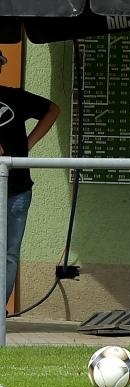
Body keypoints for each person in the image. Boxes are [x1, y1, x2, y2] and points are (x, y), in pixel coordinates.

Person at [1, 49, 60, 306]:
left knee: (9, 253)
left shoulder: (13, 97)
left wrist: (27, 145)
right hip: (15, 187)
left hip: (17, 187)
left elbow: (52, 109)